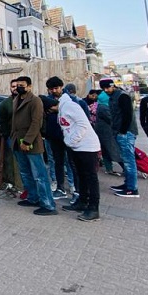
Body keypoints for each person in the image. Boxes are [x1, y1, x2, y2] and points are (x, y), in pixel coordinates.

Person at [54, 78, 101, 222]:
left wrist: (71, 140)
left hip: (87, 146)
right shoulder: (63, 107)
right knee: (80, 175)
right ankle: (82, 202)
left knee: (90, 177)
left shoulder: (70, 106)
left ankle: (93, 208)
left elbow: (83, 124)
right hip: (76, 147)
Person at [11, 76, 57, 215]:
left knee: (40, 175)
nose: (19, 87)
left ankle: (48, 204)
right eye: (17, 85)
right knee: (25, 172)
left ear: (29, 86)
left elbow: (36, 122)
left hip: (31, 143)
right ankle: (33, 197)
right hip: (17, 142)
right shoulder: (16, 100)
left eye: (22, 85)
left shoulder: (35, 101)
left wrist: (27, 141)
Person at [101, 78, 140, 198]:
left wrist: (122, 131)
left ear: (113, 86)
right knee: (125, 159)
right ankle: (127, 184)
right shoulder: (114, 96)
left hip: (126, 133)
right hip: (120, 131)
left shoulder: (122, 96)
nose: (106, 90)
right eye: (104, 89)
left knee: (129, 161)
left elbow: (127, 115)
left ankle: (132, 189)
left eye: (108, 87)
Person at [44, 77, 74, 201]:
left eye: (56, 88)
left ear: (61, 87)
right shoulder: (48, 100)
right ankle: (59, 187)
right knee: (57, 163)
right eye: (51, 89)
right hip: (53, 137)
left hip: (68, 136)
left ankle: (73, 186)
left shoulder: (70, 100)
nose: (54, 91)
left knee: (71, 163)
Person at [0, 79, 23, 194]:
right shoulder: (5, 103)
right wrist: (6, 133)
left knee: (24, 161)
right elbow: (2, 120)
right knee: (11, 160)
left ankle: (24, 184)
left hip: (25, 137)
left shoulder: (25, 101)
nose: (15, 88)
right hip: (10, 137)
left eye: (17, 86)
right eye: (12, 86)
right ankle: (11, 182)